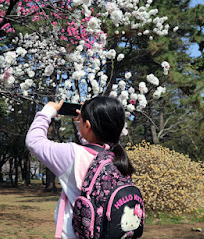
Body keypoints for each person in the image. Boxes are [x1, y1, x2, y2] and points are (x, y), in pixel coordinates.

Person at [25, 96, 134, 238]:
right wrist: (81, 125)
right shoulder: (117, 158)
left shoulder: (72, 155)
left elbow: (34, 141)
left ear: (87, 126)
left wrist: (48, 111)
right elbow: (92, 146)